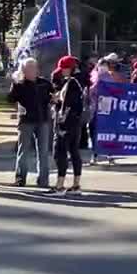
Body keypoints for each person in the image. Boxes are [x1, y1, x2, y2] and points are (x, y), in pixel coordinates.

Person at [7, 58, 53, 188]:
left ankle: (43, 180)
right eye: (29, 68)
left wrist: (54, 99)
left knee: (43, 151)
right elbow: (10, 99)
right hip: (26, 121)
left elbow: (52, 97)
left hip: (43, 120)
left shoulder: (44, 83)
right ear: (23, 70)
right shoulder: (19, 84)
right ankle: (20, 178)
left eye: (34, 67)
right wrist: (15, 83)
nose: (33, 70)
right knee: (24, 151)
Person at [52, 56, 86, 193]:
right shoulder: (80, 81)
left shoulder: (71, 83)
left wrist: (61, 120)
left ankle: (59, 185)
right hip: (76, 122)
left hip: (66, 123)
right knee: (74, 152)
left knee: (60, 152)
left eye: (64, 68)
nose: (62, 71)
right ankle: (76, 184)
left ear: (70, 68)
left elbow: (67, 105)